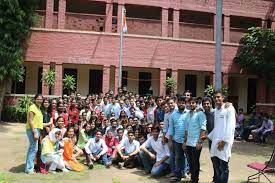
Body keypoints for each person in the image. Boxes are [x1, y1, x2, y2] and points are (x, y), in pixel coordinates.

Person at [208, 90, 236, 183]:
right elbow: (217, 127)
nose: (216, 99)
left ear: (223, 98)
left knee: (224, 167)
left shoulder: (229, 108)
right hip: (215, 141)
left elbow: (231, 127)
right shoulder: (216, 110)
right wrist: (208, 137)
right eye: (215, 97)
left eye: (218, 97)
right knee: (216, 165)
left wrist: (224, 141)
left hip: (225, 143)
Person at [184, 97, 207, 183]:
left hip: (196, 143)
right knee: (190, 162)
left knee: (195, 162)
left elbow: (203, 129)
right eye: (190, 103)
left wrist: (200, 142)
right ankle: (192, 178)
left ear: (196, 104)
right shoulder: (187, 115)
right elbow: (186, 130)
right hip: (189, 143)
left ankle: (195, 180)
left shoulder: (200, 114)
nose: (191, 104)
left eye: (193, 103)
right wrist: (185, 142)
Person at [168, 96, 188, 182]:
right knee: (177, 158)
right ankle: (178, 175)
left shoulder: (189, 113)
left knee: (188, 157)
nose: (181, 104)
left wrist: (186, 141)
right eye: (179, 102)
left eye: (183, 103)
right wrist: (170, 141)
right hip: (176, 140)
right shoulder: (173, 115)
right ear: (177, 103)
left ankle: (186, 173)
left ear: (185, 103)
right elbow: (171, 129)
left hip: (187, 140)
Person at [25, 94, 44, 174]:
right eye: (38, 99)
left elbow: (38, 122)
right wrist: (35, 132)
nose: (39, 101)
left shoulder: (38, 108)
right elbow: (30, 120)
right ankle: (29, 169)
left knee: (32, 149)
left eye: (41, 99)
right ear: (35, 99)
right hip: (33, 129)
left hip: (37, 129)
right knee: (33, 149)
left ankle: (28, 168)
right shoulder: (32, 108)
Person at [202, 97, 216, 182]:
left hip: (217, 139)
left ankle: (218, 177)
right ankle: (216, 176)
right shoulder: (202, 114)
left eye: (208, 103)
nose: (206, 105)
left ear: (211, 104)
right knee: (213, 158)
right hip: (211, 139)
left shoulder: (216, 112)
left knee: (219, 159)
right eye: (204, 104)